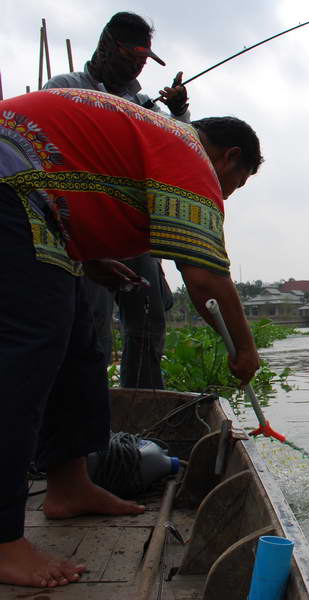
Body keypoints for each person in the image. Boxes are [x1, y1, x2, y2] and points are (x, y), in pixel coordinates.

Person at [0, 87, 262, 588]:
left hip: (35, 204)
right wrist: (244, 351)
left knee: (78, 346)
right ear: (228, 157)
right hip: (11, 186)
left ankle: (70, 486)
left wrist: (93, 260)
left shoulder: (159, 140)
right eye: (235, 182)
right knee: (26, 356)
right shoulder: (188, 155)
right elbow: (205, 278)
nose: (225, 195)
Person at [43, 12, 190, 388]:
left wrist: (177, 112)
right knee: (93, 322)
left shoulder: (142, 103)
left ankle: (142, 404)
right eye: (132, 58)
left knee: (149, 316)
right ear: (108, 48)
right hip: (83, 228)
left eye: (144, 61)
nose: (138, 67)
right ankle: (88, 416)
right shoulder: (64, 88)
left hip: (128, 226)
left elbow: (180, 146)